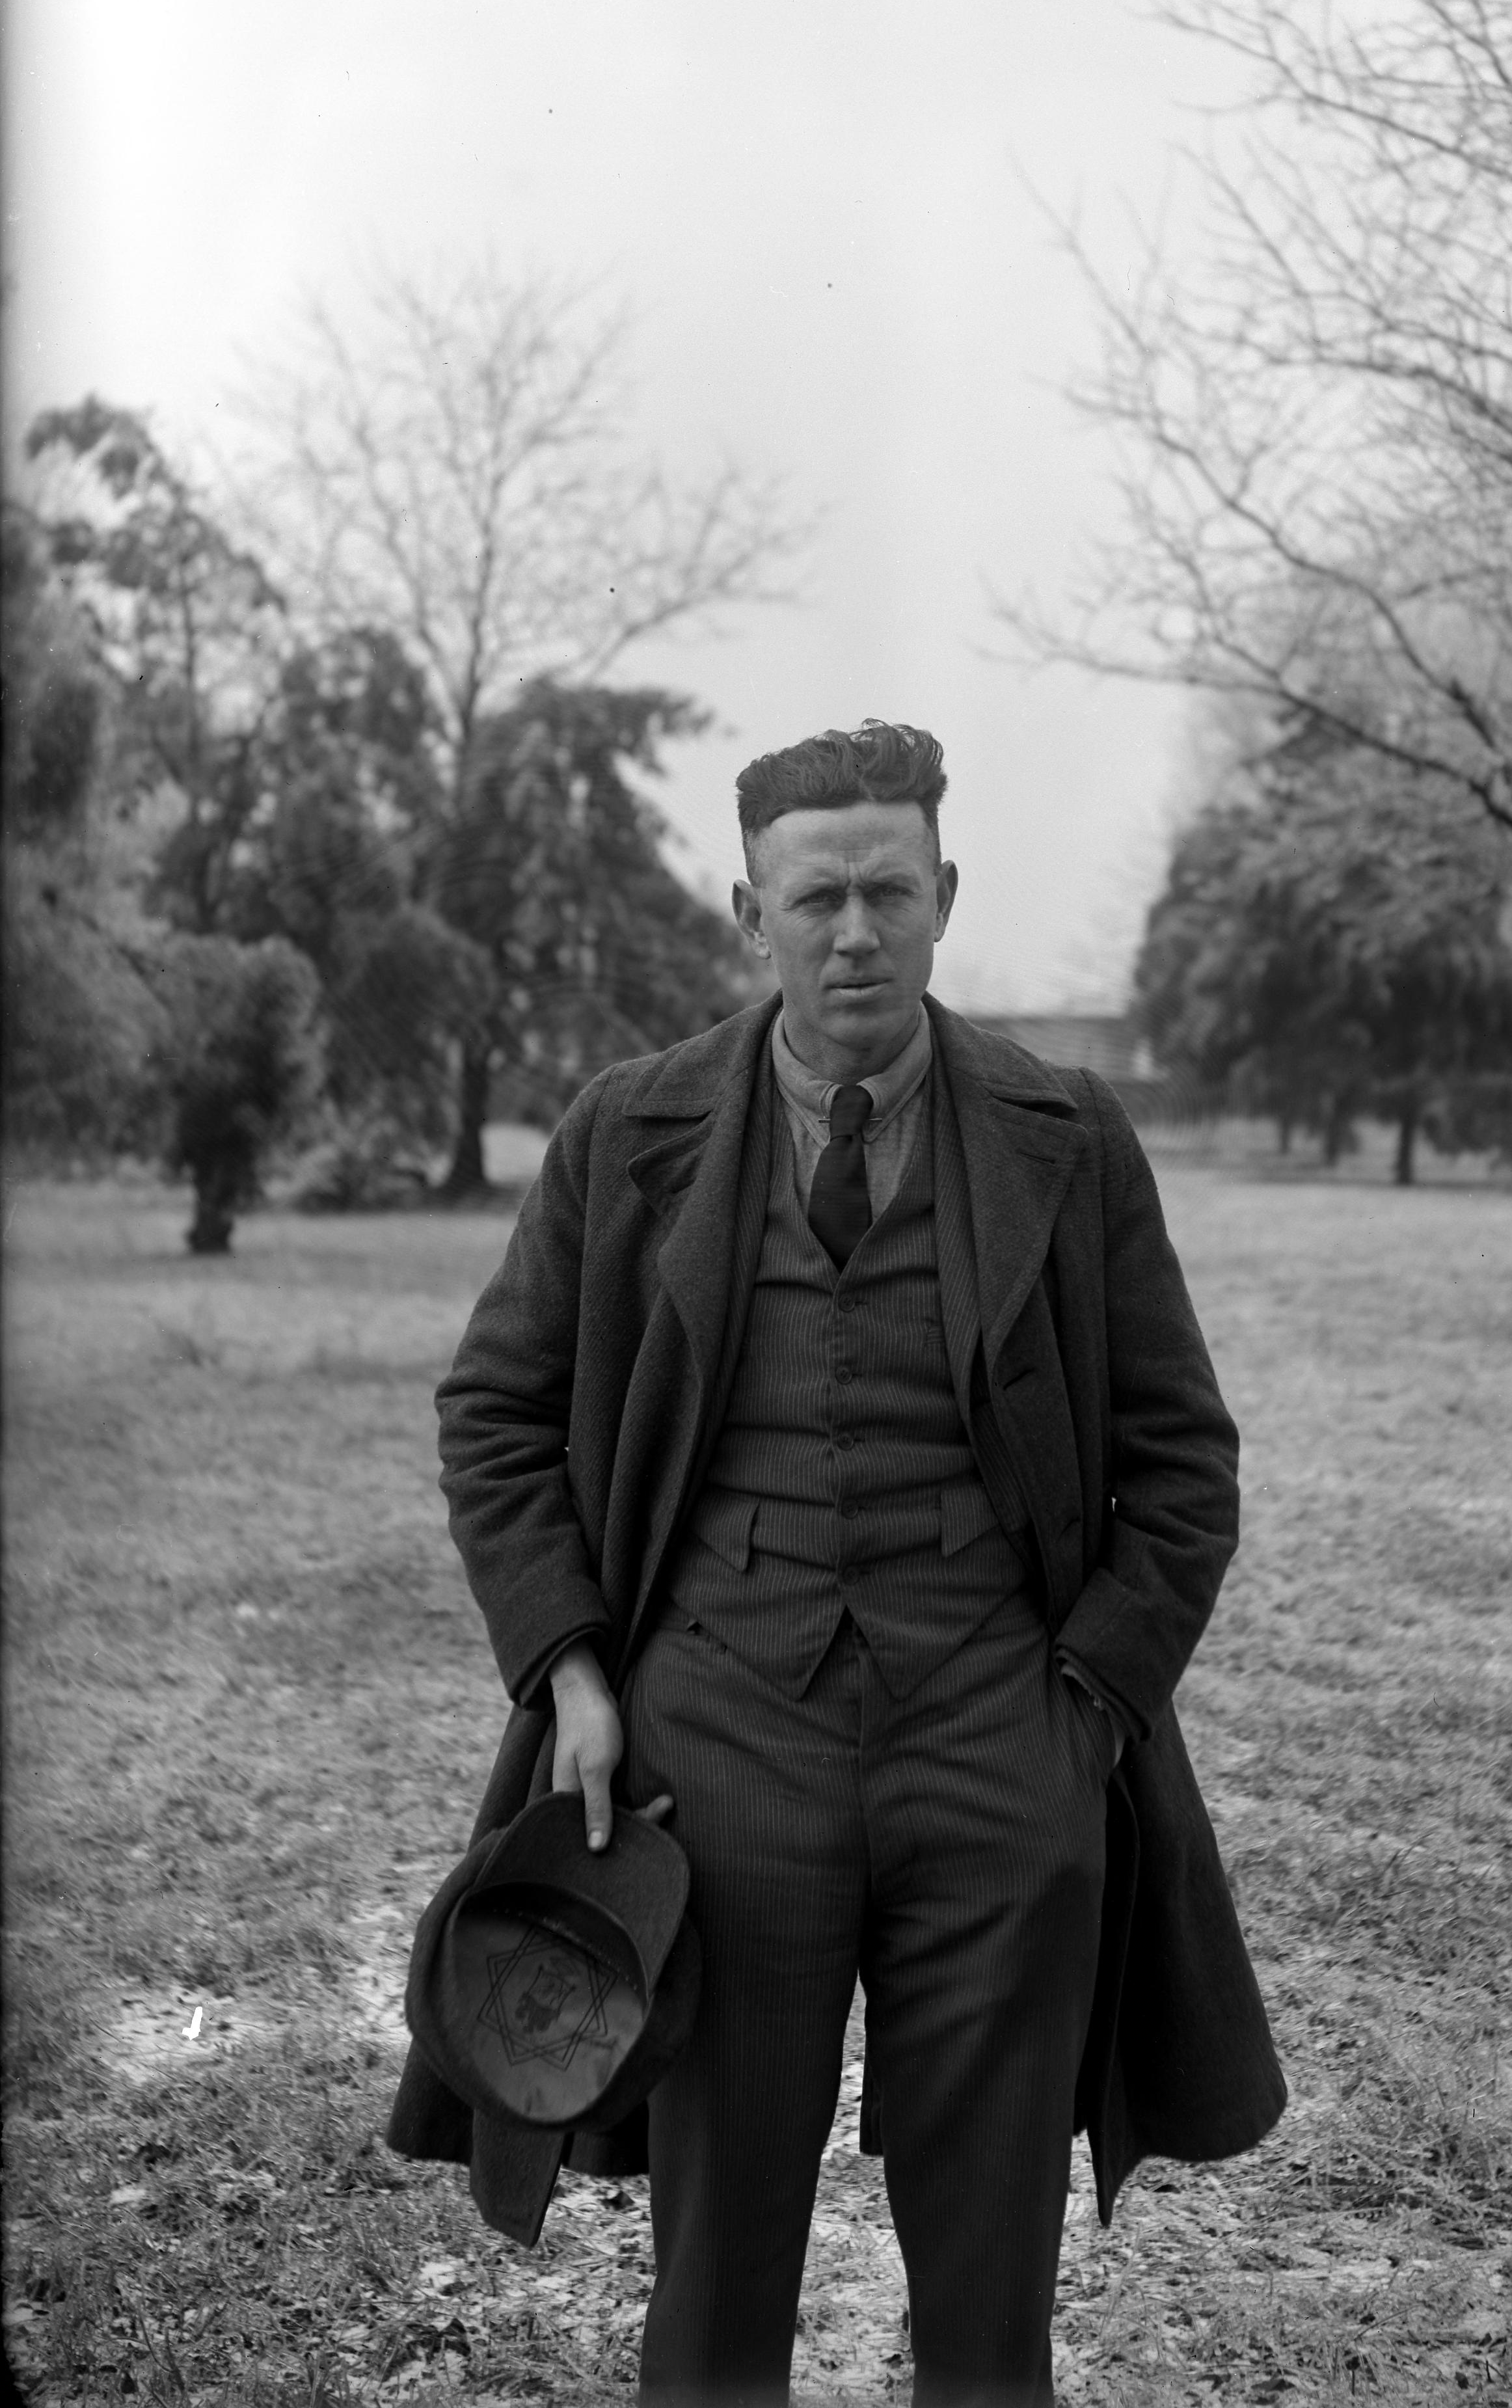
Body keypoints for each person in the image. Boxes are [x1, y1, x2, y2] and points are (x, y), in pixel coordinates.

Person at [420, 718, 1283, 2406]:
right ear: (752, 913)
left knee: (990, 2295)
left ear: (946, 894)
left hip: (1000, 1750)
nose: (857, 933)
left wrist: (1084, 1716)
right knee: (716, 2274)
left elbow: (1185, 1461)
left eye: (891, 891)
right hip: (715, 1756)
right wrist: (574, 1669)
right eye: (816, 898)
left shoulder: (1064, 1133)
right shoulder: (628, 1133)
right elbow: (496, 1412)